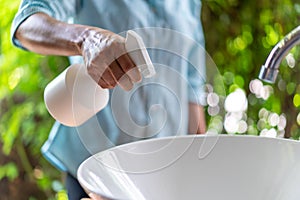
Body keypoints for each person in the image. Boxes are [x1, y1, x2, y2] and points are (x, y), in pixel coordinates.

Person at [11, 0, 207, 199]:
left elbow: (193, 91)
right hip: (95, 170)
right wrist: (86, 39)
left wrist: (198, 171)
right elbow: (26, 24)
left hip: (163, 176)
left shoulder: (189, 4)